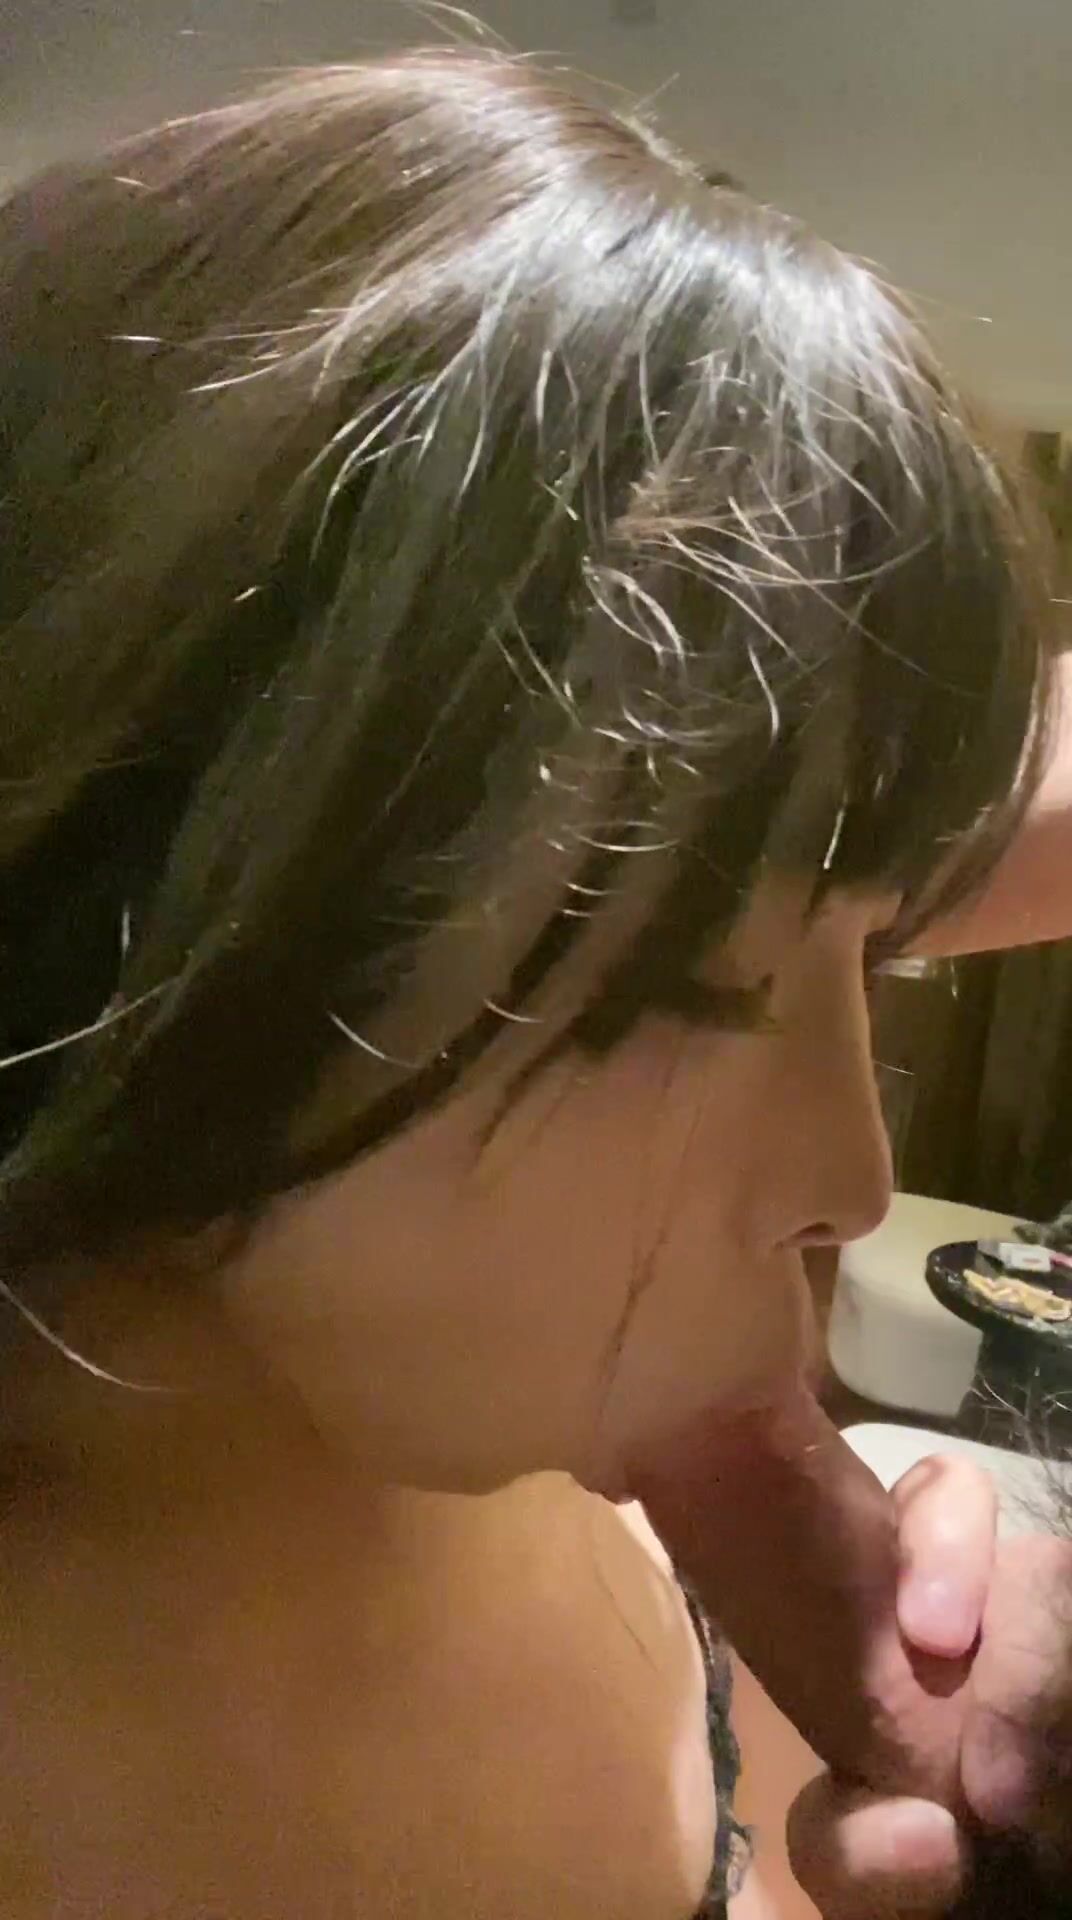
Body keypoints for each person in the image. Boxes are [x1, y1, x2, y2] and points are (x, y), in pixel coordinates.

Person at [0, 46, 1065, 1920]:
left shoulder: (555, 1428)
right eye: (693, 987)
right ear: (154, 892)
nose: (855, 1180)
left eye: (880, 948)